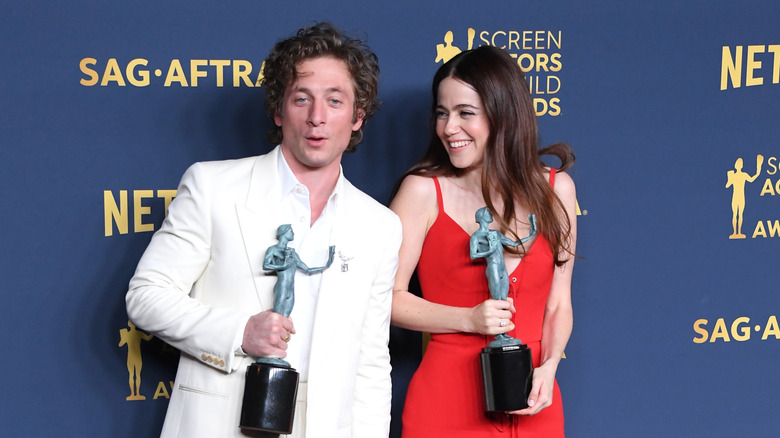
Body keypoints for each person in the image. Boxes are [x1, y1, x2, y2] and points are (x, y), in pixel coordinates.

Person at [126, 22, 402, 438]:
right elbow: (145, 297)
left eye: (335, 100)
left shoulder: (379, 225)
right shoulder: (212, 187)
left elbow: (371, 363)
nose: (317, 118)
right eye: (301, 99)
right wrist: (239, 333)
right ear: (278, 109)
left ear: (358, 116)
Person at [390, 45, 577, 437]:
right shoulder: (422, 192)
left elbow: (559, 302)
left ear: (503, 115)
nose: (448, 128)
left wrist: (550, 366)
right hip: (446, 404)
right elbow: (386, 298)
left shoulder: (557, 190)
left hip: (534, 401)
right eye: (442, 113)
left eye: (465, 113)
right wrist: (467, 319)